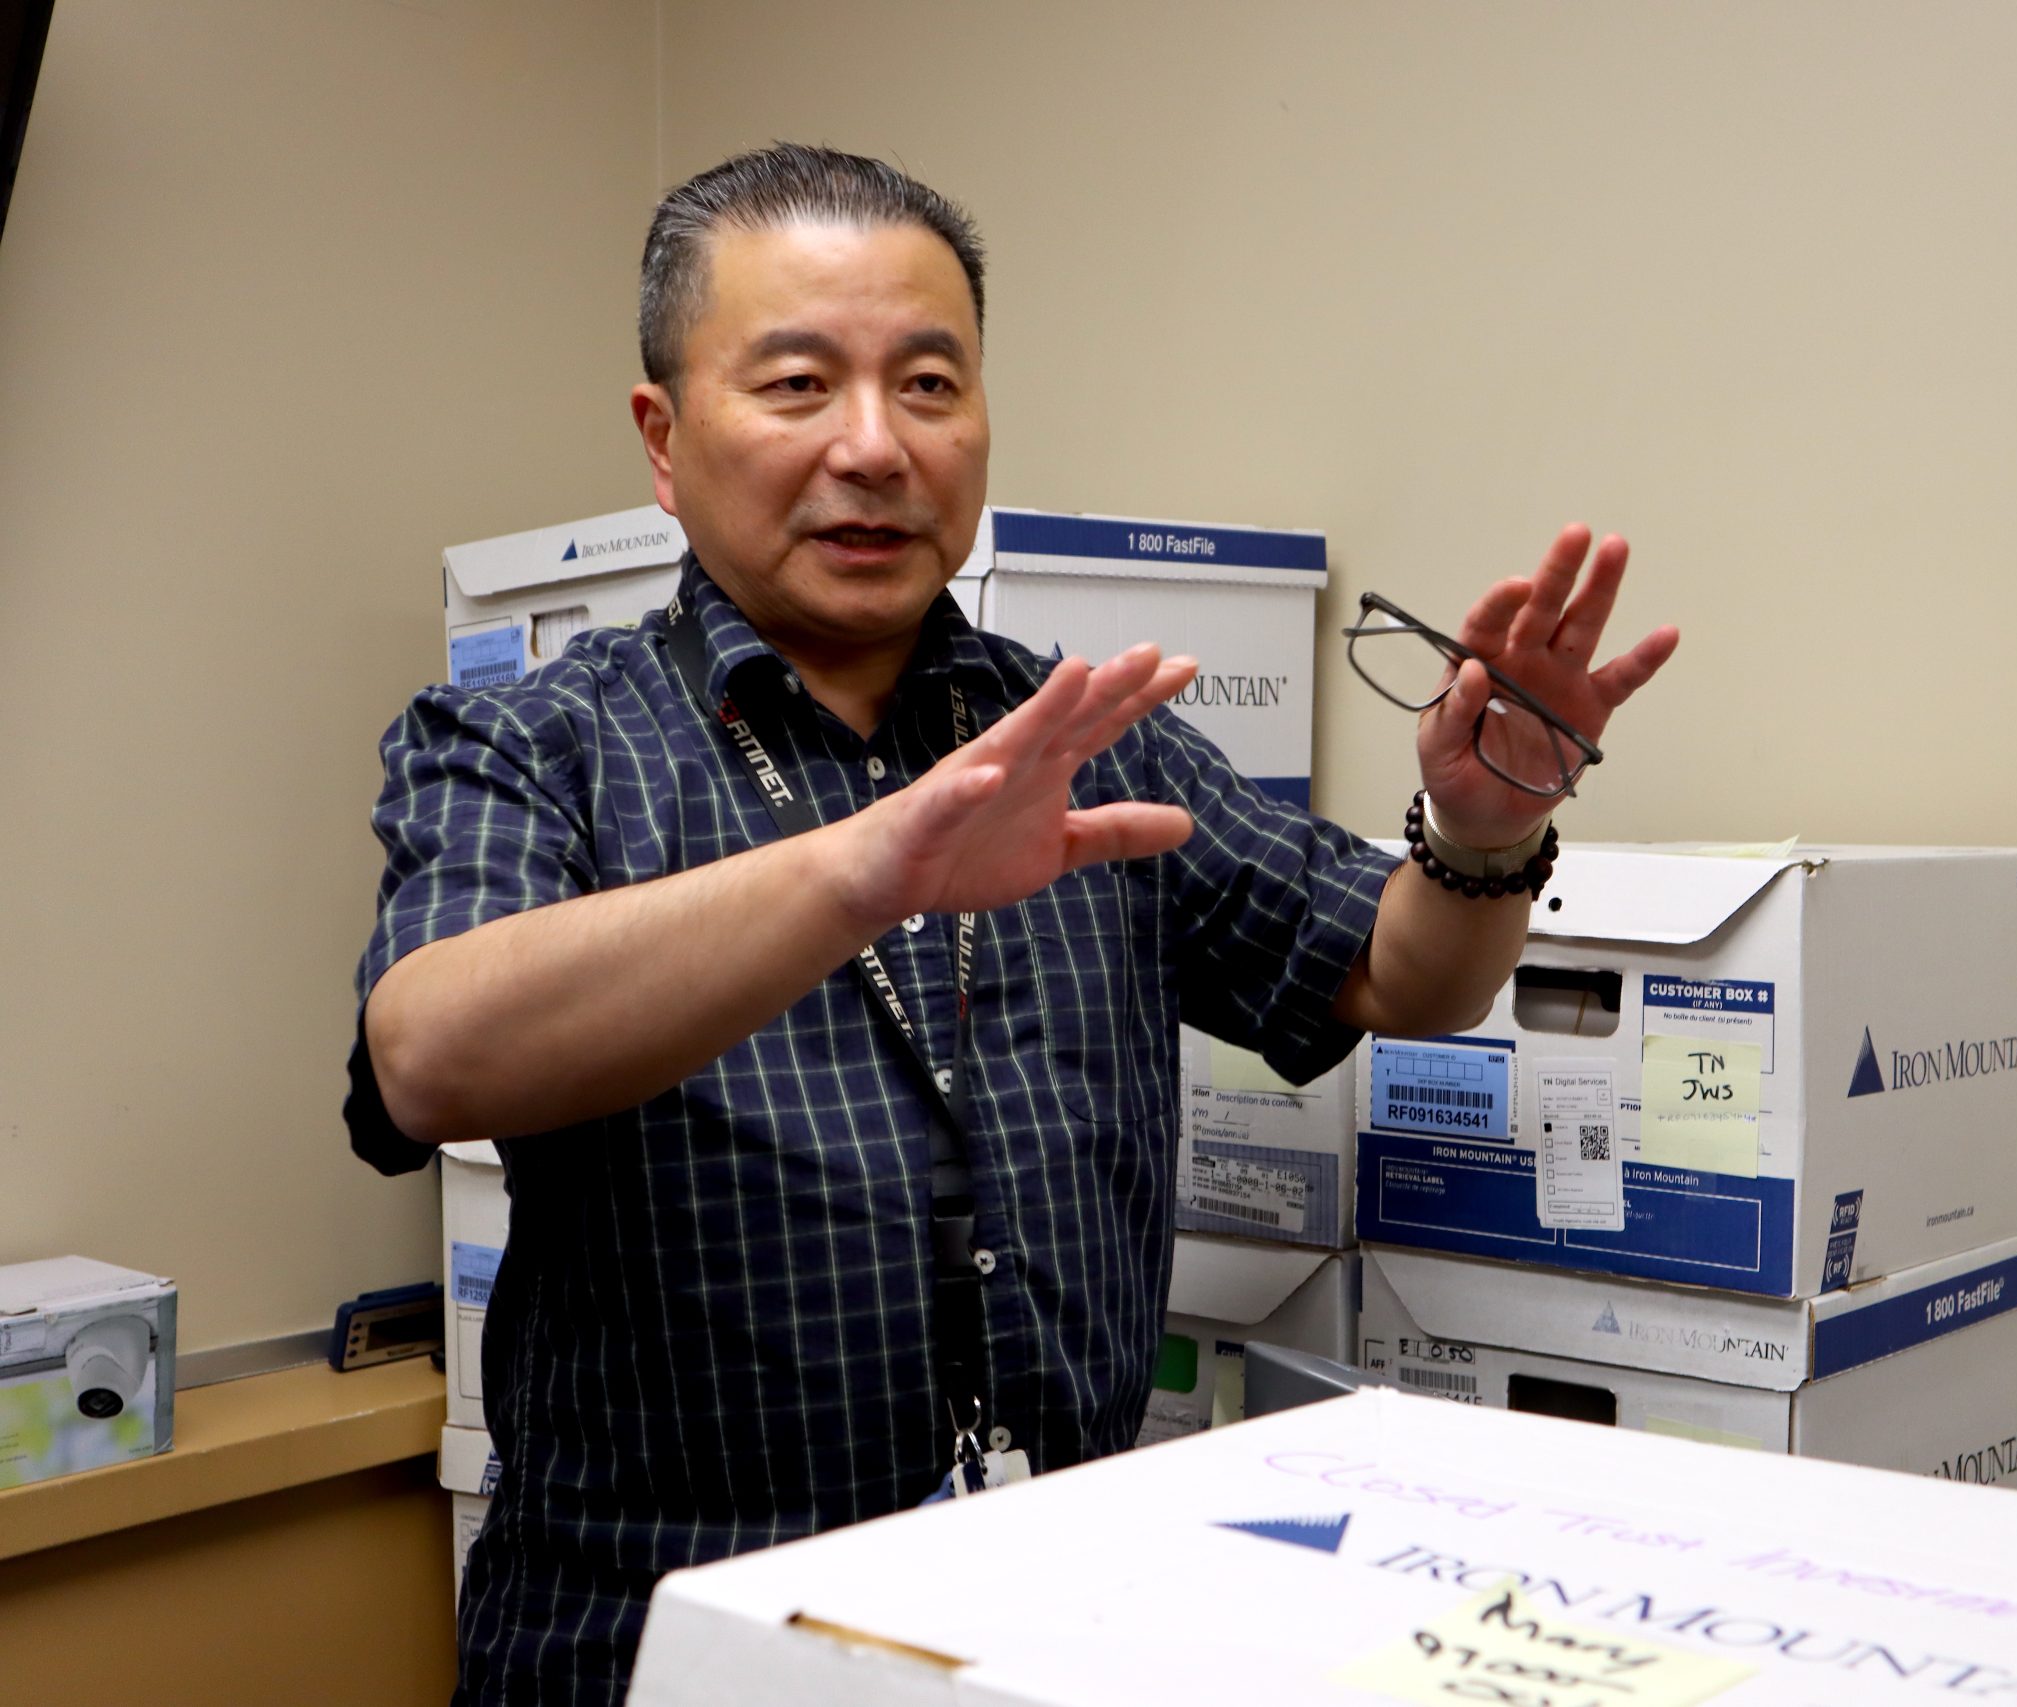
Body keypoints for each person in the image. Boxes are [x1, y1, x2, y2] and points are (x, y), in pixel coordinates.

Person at [347, 143, 1677, 1704]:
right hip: (659, 1647)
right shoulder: (535, 742)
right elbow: (432, 1054)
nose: (874, 446)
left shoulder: (1084, 735)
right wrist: (868, 867)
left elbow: (1401, 967)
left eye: (929, 384)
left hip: (1042, 1626)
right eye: (795, 386)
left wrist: (1487, 824)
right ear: (663, 436)